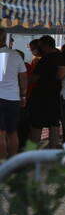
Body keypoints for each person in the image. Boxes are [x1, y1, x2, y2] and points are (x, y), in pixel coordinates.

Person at [28, 35, 65, 148]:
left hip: (40, 95)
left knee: (36, 124)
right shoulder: (61, 57)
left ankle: (31, 150)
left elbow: (34, 78)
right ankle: (53, 150)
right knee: (54, 124)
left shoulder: (45, 59)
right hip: (55, 94)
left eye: (40, 46)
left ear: (45, 46)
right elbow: (61, 75)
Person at [0, 30, 27, 158]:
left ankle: (2, 163)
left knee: (0, 133)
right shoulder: (15, 55)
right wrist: (23, 95)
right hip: (13, 98)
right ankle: (12, 162)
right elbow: (23, 77)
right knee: (12, 132)